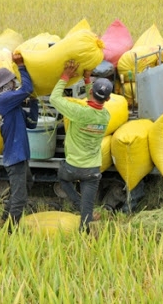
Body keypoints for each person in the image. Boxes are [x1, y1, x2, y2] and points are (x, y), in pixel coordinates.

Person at [49, 59, 113, 233]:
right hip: (92, 170)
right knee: (86, 212)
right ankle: (85, 236)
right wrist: (87, 80)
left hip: (73, 167)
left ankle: (77, 203)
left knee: (62, 178)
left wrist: (65, 76)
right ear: (108, 98)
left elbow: (54, 98)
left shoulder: (79, 113)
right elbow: (94, 100)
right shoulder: (106, 116)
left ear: (91, 92)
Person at [0, 53, 39, 227]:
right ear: (6, 84)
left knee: (27, 183)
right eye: (13, 81)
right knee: (20, 196)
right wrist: (21, 66)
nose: (15, 83)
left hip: (20, 155)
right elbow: (26, 88)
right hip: (15, 156)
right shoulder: (3, 100)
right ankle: (10, 230)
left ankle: (5, 218)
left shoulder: (14, 108)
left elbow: (32, 124)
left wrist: (34, 103)